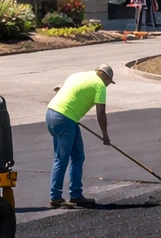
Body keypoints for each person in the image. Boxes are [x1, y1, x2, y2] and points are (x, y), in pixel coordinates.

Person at [45, 63, 114, 209]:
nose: (108, 85)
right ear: (105, 76)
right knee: (61, 158)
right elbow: (101, 112)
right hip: (65, 119)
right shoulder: (100, 85)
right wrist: (105, 135)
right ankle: (55, 197)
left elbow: (58, 89)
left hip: (53, 114)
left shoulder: (78, 75)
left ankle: (76, 194)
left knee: (77, 157)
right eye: (109, 82)